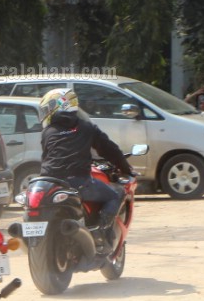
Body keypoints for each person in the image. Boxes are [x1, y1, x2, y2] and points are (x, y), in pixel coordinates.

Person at [37, 88, 135, 250]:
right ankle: (101, 232)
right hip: (77, 182)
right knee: (116, 194)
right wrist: (126, 168)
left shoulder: (47, 132)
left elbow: (47, 157)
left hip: (50, 182)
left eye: (49, 108)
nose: (46, 113)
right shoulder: (86, 128)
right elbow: (110, 150)